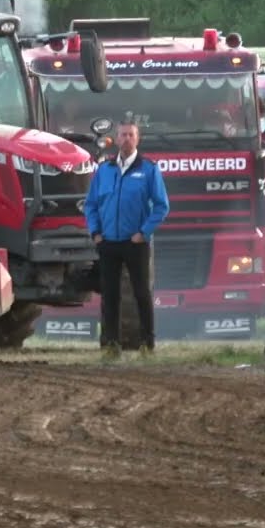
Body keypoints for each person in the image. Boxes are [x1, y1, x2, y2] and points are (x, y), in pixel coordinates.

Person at [83, 120, 170, 357]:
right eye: (123, 135)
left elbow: (162, 207)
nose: (127, 139)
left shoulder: (149, 170)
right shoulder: (104, 171)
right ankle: (111, 344)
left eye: (131, 135)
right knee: (110, 295)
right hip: (108, 242)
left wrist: (144, 232)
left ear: (137, 139)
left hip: (136, 243)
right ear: (116, 139)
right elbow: (90, 204)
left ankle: (147, 344)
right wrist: (96, 232)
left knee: (142, 293)